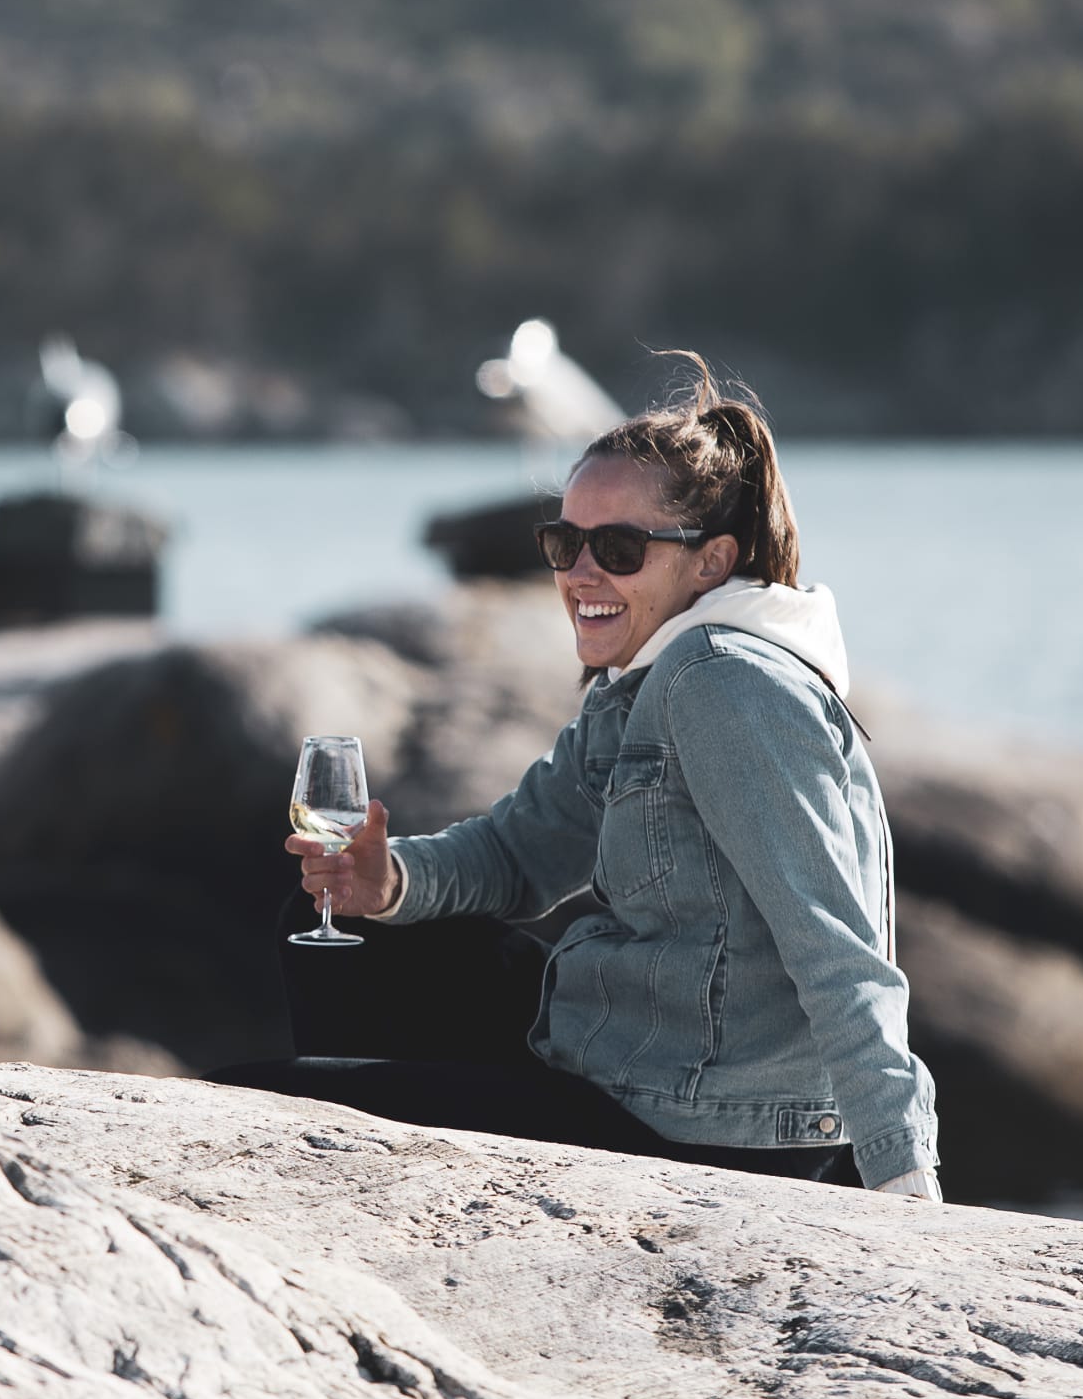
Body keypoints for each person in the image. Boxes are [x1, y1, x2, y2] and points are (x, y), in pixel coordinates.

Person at [225, 359, 942, 1196]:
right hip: (631, 1064)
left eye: (619, 549)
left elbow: (835, 942)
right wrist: (386, 881)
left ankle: (410, 1202)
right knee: (335, 932)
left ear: (710, 563)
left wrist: (900, 1172)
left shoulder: (724, 685)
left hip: (711, 1130)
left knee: (270, 1112)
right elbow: (522, 852)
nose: (579, 575)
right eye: (564, 544)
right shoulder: (645, 673)